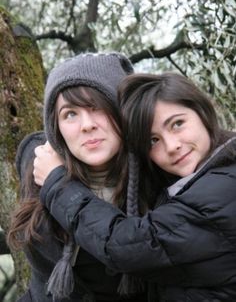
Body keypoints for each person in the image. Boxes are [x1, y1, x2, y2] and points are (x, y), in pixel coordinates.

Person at [34, 72, 236, 302]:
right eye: (153, 140)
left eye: (177, 124)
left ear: (203, 113)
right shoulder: (188, 181)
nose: (171, 146)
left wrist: (58, 185)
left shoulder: (224, 188)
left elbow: (126, 245)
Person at [7, 53, 148, 302]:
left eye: (97, 107)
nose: (86, 125)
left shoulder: (156, 181)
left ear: (123, 111)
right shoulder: (38, 167)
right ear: (56, 127)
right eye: (70, 114)